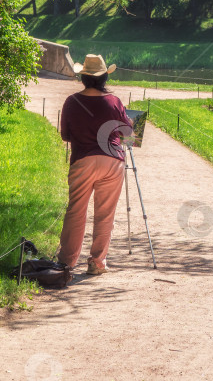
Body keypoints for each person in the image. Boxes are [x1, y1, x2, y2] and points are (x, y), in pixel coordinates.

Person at [57, 54, 132, 276]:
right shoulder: (114, 102)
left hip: (83, 160)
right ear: (104, 79)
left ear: (83, 78)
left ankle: (67, 262)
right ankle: (97, 262)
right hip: (112, 161)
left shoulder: (72, 101)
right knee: (105, 214)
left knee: (76, 211)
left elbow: (65, 136)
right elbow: (127, 133)